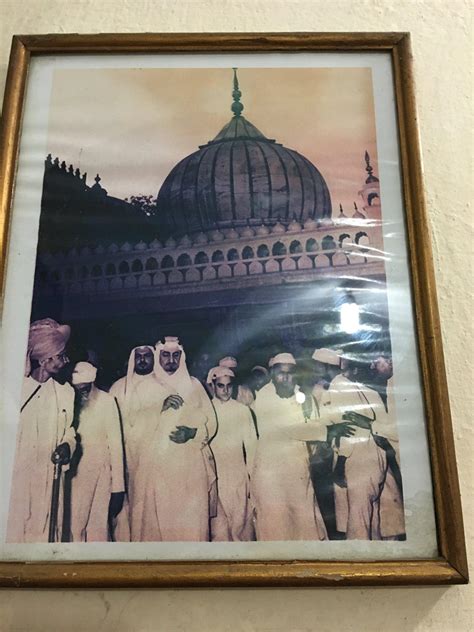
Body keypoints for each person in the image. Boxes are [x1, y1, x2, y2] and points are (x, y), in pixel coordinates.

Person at [131, 337, 218, 542]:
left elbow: (212, 423)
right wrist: (158, 407)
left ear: (181, 357)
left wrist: (193, 433)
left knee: (191, 526)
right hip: (156, 469)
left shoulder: (194, 385)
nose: (171, 360)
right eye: (165, 355)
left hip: (190, 469)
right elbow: (132, 427)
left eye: (175, 355)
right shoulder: (143, 386)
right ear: (158, 356)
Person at [7, 318, 76, 543]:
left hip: (50, 478)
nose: (66, 360)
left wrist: (68, 445)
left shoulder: (66, 393)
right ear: (45, 359)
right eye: (61, 355)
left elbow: (70, 431)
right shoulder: (15, 391)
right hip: (18, 481)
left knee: (46, 534)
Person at [251, 352, 328, 541]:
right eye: (280, 373)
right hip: (270, 475)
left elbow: (315, 421)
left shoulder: (301, 394)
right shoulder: (264, 397)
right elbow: (290, 428)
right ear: (271, 375)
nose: (285, 378)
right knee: (276, 525)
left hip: (298, 470)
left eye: (290, 373)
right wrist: (327, 431)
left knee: (305, 523)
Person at [319, 353, 393, 540]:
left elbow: (349, 431)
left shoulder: (338, 387)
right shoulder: (367, 390)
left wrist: (341, 463)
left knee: (358, 523)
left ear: (325, 368)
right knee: (371, 518)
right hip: (374, 458)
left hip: (356, 459)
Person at [68, 362, 125, 542]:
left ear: (92, 384)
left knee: (98, 527)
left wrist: (118, 488)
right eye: (77, 389)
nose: (81, 394)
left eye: (84, 389)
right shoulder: (68, 399)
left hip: (101, 476)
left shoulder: (107, 401)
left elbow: (116, 446)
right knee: (73, 527)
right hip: (73, 475)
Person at [207, 366, 257, 541]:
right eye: (221, 386)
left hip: (237, 475)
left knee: (241, 524)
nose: (226, 390)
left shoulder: (242, 411)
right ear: (213, 386)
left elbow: (252, 447)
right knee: (218, 530)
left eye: (229, 386)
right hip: (215, 477)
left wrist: (253, 479)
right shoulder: (206, 410)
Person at [308, 348, 343, 539]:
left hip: (339, 446)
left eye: (318, 365)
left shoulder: (338, 386)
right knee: (325, 495)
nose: (315, 368)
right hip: (323, 447)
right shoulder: (317, 388)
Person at [370, 353, 405, 540]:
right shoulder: (390, 383)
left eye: (376, 362)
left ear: (390, 360)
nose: (373, 367)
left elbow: (400, 429)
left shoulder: (399, 384)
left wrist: (372, 426)